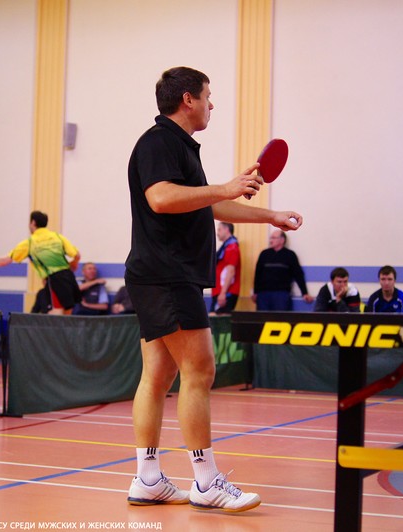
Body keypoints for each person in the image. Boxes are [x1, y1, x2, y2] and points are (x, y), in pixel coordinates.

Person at [124, 66, 302, 512]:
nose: (211, 104)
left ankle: (147, 478)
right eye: (207, 95)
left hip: (157, 274)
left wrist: (270, 216)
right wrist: (223, 187)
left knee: (158, 376)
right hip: (168, 275)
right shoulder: (159, 142)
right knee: (200, 371)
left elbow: (207, 205)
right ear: (188, 99)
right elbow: (161, 198)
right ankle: (206, 482)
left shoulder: (178, 146)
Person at [0, 211, 80, 315]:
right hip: (69, 276)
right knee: (68, 310)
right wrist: (74, 263)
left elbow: (5, 261)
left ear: (33, 222)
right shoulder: (58, 237)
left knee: (56, 312)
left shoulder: (29, 243)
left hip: (54, 279)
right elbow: (77, 255)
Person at [252, 229, 313, 311]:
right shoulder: (264, 254)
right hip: (263, 294)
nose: (271, 240)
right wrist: (255, 292)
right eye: (270, 238)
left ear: (282, 240)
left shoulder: (290, 255)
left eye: (273, 238)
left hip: (281, 295)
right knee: (262, 319)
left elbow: (298, 275)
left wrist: (304, 293)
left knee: (280, 319)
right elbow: (258, 274)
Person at [210, 222, 240, 314]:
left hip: (226, 293)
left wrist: (223, 293)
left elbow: (230, 272)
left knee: (217, 319)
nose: (217, 233)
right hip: (219, 291)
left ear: (226, 230)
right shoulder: (225, 247)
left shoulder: (232, 247)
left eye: (219, 230)